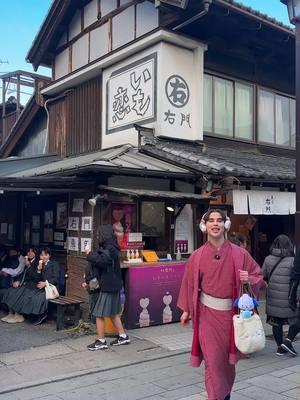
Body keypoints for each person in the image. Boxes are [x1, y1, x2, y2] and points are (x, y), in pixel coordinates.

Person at [177, 209, 265, 400]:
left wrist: (248, 278)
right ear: (204, 226)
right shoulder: (197, 256)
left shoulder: (239, 253)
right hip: (207, 316)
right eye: (211, 221)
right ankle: (217, 396)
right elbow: (189, 283)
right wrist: (186, 310)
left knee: (227, 363)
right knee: (213, 362)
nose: (215, 224)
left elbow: (259, 276)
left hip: (231, 318)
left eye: (219, 220)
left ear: (225, 225)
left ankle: (224, 395)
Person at [85, 224, 130, 350]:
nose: (98, 236)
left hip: (108, 285)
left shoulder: (110, 247)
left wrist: (89, 254)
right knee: (113, 313)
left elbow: (103, 262)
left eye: (99, 234)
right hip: (113, 284)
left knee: (99, 313)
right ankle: (123, 336)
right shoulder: (112, 245)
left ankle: (101, 341)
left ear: (104, 234)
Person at [262, 235, 300, 356]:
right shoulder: (292, 260)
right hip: (288, 297)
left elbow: (263, 274)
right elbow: (295, 279)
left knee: (276, 323)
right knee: (293, 320)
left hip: (273, 296)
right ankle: (288, 340)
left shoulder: (268, 259)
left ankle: (279, 348)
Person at [2, 247, 60, 325]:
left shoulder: (54, 264)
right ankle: (22, 314)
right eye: (42, 255)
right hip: (40, 286)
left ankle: (41, 315)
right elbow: (38, 278)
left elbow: (56, 278)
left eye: (45, 255)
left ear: (49, 255)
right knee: (28, 294)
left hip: (50, 287)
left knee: (38, 297)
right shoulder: (40, 264)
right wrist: (39, 270)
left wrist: (45, 283)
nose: (43, 257)